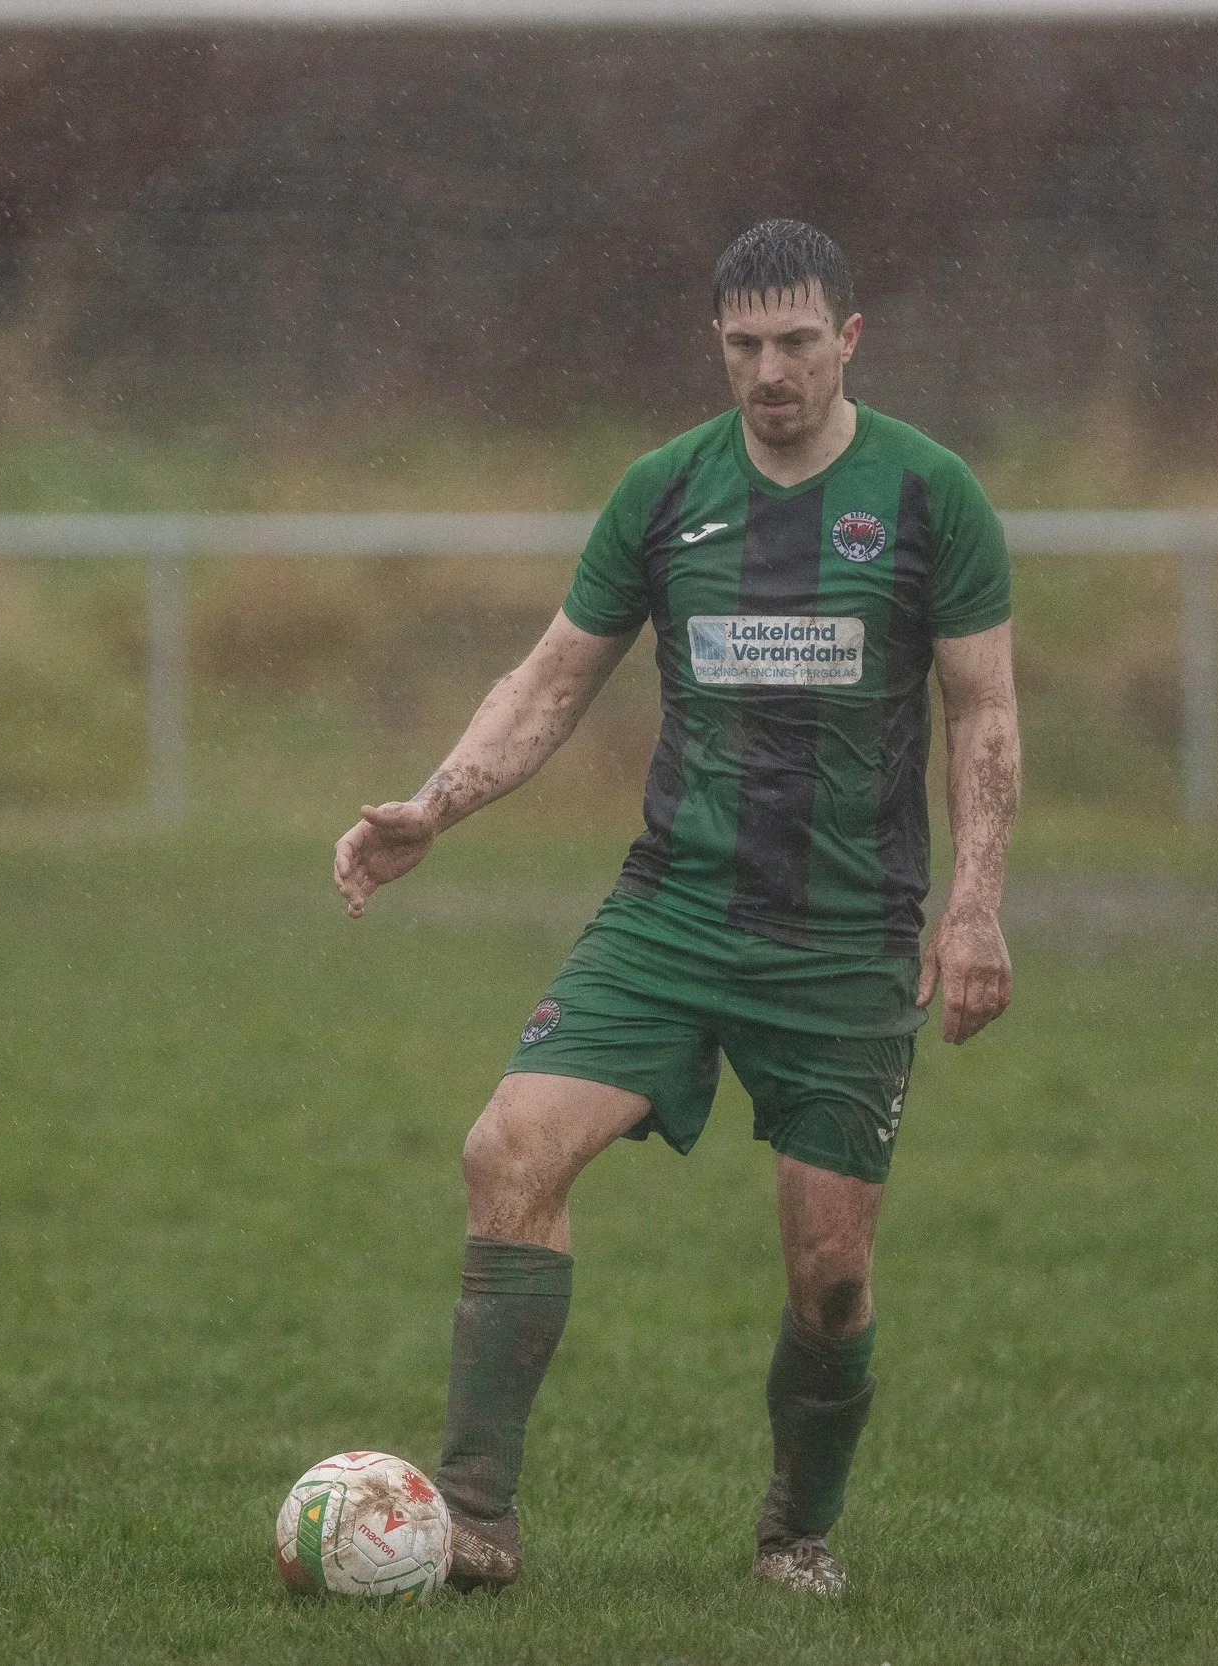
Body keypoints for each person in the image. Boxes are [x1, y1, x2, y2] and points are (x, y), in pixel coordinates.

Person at [331, 218, 1020, 1597]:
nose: (769, 371)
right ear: (719, 345)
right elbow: (552, 676)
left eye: (796, 343)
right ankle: (474, 1520)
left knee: (830, 1270)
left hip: (844, 935)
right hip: (672, 912)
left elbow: (983, 711)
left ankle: (794, 1532)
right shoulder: (663, 492)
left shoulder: (933, 496)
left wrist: (977, 905)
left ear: (850, 337)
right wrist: (435, 802)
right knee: (507, 1150)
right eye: (744, 345)